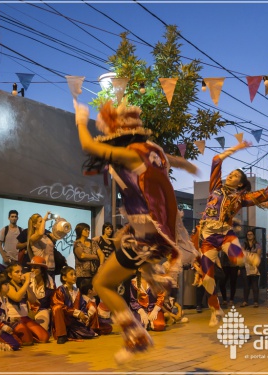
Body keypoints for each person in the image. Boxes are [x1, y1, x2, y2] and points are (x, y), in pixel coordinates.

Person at [74, 99, 198, 363]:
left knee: (102, 283)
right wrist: (184, 165)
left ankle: (136, 333)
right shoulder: (154, 151)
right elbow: (170, 161)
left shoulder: (129, 154)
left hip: (148, 236)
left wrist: (80, 119)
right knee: (120, 239)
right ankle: (154, 278)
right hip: (149, 232)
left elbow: (87, 145)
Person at [193, 141, 268, 327]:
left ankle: (245, 256)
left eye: (236, 175)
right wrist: (235, 148)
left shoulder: (242, 198)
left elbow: (266, 194)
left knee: (237, 259)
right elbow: (216, 160)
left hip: (224, 233)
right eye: (231, 173)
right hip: (207, 237)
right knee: (207, 278)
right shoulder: (215, 187)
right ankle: (216, 309)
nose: (231, 176)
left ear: (241, 183)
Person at [5, 262, 50, 345]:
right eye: (17, 272)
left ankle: (26, 333)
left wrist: (26, 284)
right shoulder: (7, 285)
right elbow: (17, 297)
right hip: (13, 319)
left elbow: (33, 299)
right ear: (10, 275)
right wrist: (26, 283)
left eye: (21, 271)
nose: (20, 274)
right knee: (27, 340)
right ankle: (14, 335)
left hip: (25, 318)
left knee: (44, 337)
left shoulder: (23, 285)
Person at [51, 266, 97, 344]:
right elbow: (60, 306)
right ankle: (61, 335)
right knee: (57, 308)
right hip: (64, 320)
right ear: (64, 278)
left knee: (95, 331)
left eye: (75, 274)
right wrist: (77, 313)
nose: (74, 276)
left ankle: (72, 333)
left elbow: (82, 306)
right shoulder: (60, 290)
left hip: (74, 321)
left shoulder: (77, 291)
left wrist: (84, 316)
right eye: (71, 274)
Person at [27, 256, 56, 331]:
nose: (32, 270)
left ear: (42, 270)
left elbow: (53, 301)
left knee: (42, 330)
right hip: (27, 310)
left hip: (42, 309)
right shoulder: (27, 279)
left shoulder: (50, 284)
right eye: (32, 267)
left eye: (35, 267)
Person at [26, 212, 58, 279]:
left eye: (42, 221)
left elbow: (58, 235)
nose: (43, 223)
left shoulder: (46, 236)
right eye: (40, 221)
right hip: (42, 269)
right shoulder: (33, 237)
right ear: (34, 225)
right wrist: (44, 220)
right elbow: (40, 233)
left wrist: (58, 222)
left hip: (51, 268)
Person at [73, 222, 103, 288]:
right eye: (85, 230)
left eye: (88, 229)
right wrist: (95, 257)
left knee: (95, 296)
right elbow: (82, 256)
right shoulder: (77, 243)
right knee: (83, 296)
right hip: (82, 275)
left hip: (95, 274)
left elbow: (101, 254)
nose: (88, 231)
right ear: (80, 231)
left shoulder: (93, 242)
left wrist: (101, 265)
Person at [241, 230, 262, 307]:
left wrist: (248, 255)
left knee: (255, 285)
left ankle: (255, 301)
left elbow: (258, 254)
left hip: (254, 266)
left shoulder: (257, 245)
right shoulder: (243, 244)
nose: (249, 235)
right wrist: (252, 255)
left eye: (251, 234)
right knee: (246, 285)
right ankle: (245, 301)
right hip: (245, 267)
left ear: (254, 235)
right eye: (248, 234)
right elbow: (242, 254)